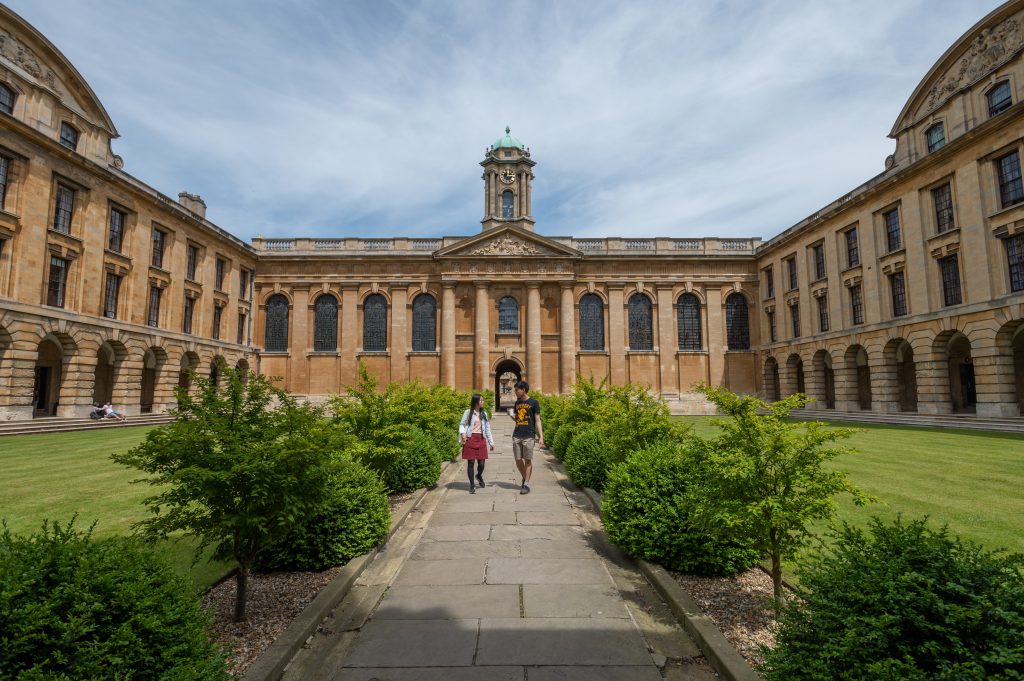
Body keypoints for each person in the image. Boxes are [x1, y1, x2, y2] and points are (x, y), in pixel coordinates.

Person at [510, 380, 543, 494]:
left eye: (517, 390)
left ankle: (526, 484)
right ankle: (525, 477)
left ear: (523, 390)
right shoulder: (517, 403)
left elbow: (537, 420)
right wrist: (512, 416)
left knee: (527, 460)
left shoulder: (534, 402)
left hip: (529, 435)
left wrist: (541, 437)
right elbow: (518, 419)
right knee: (518, 460)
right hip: (517, 434)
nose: (516, 392)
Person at [459, 394, 494, 494]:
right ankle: (472, 485)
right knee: (471, 463)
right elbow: (462, 424)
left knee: (481, 463)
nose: (483, 402)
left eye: (483, 400)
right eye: (481, 400)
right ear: (476, 402)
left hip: (481, 439)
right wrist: (463, 433)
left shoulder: (484, 414)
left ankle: (478, 475)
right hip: (470, 439)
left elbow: (487, 429)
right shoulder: (468, 412)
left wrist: (491, 442)